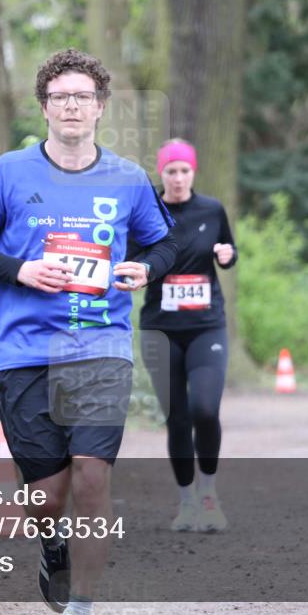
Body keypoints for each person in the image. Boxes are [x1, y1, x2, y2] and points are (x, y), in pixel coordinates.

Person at [0, 48, 177, 615]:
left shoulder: (128, 178)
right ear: (44, 107)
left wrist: (146, 268)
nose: (71, 106)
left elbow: (165, 243)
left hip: (101, 346)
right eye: (60, 97)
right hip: (24, 350)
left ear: (100, 106)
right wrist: (21, 270)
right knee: (47, 496)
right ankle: (51, 540)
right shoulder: (10, 171)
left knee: (93, 476)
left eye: (82, 96)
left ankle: (81, 606)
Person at [128, 138, 236, 533]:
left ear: (194, 172)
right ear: (162, 172)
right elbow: (132, 259)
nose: (177, 178)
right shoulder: (147, 211)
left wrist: (227, 256)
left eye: (184, 170)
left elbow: (229, 250)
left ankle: (209, 494)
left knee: (205, 410)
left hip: (207, 325)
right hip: (161, 329)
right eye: (170, 171)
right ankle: (187, 501)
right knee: (177, 418)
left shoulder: (212, 209)